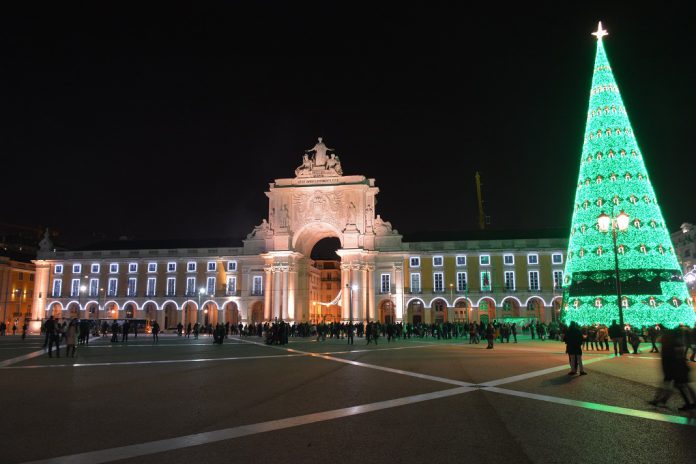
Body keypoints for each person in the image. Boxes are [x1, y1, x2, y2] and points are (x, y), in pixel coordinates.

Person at [649, 328, 696, 410]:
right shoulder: (674, 342)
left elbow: (672, 358)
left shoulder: (670, 344)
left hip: (675, 369)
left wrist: (671, 369)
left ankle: (660, 401)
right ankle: (660, 401)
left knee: (678, 385)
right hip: (677, 368)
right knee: (679, 386)